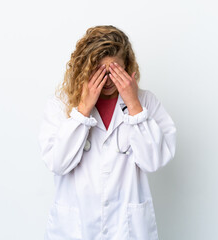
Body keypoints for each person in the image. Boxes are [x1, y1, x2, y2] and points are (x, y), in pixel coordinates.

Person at [37, 25, 177, 240]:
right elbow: (57, 163)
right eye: (100, 72)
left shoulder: (146, 102)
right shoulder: (61, 105)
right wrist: (83, 109)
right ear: (85, 69)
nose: (109, 80)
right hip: (76, 228)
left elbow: (154, 161)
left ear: (127, 67)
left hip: (126, 229)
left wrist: (133, 105)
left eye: (115, 71)